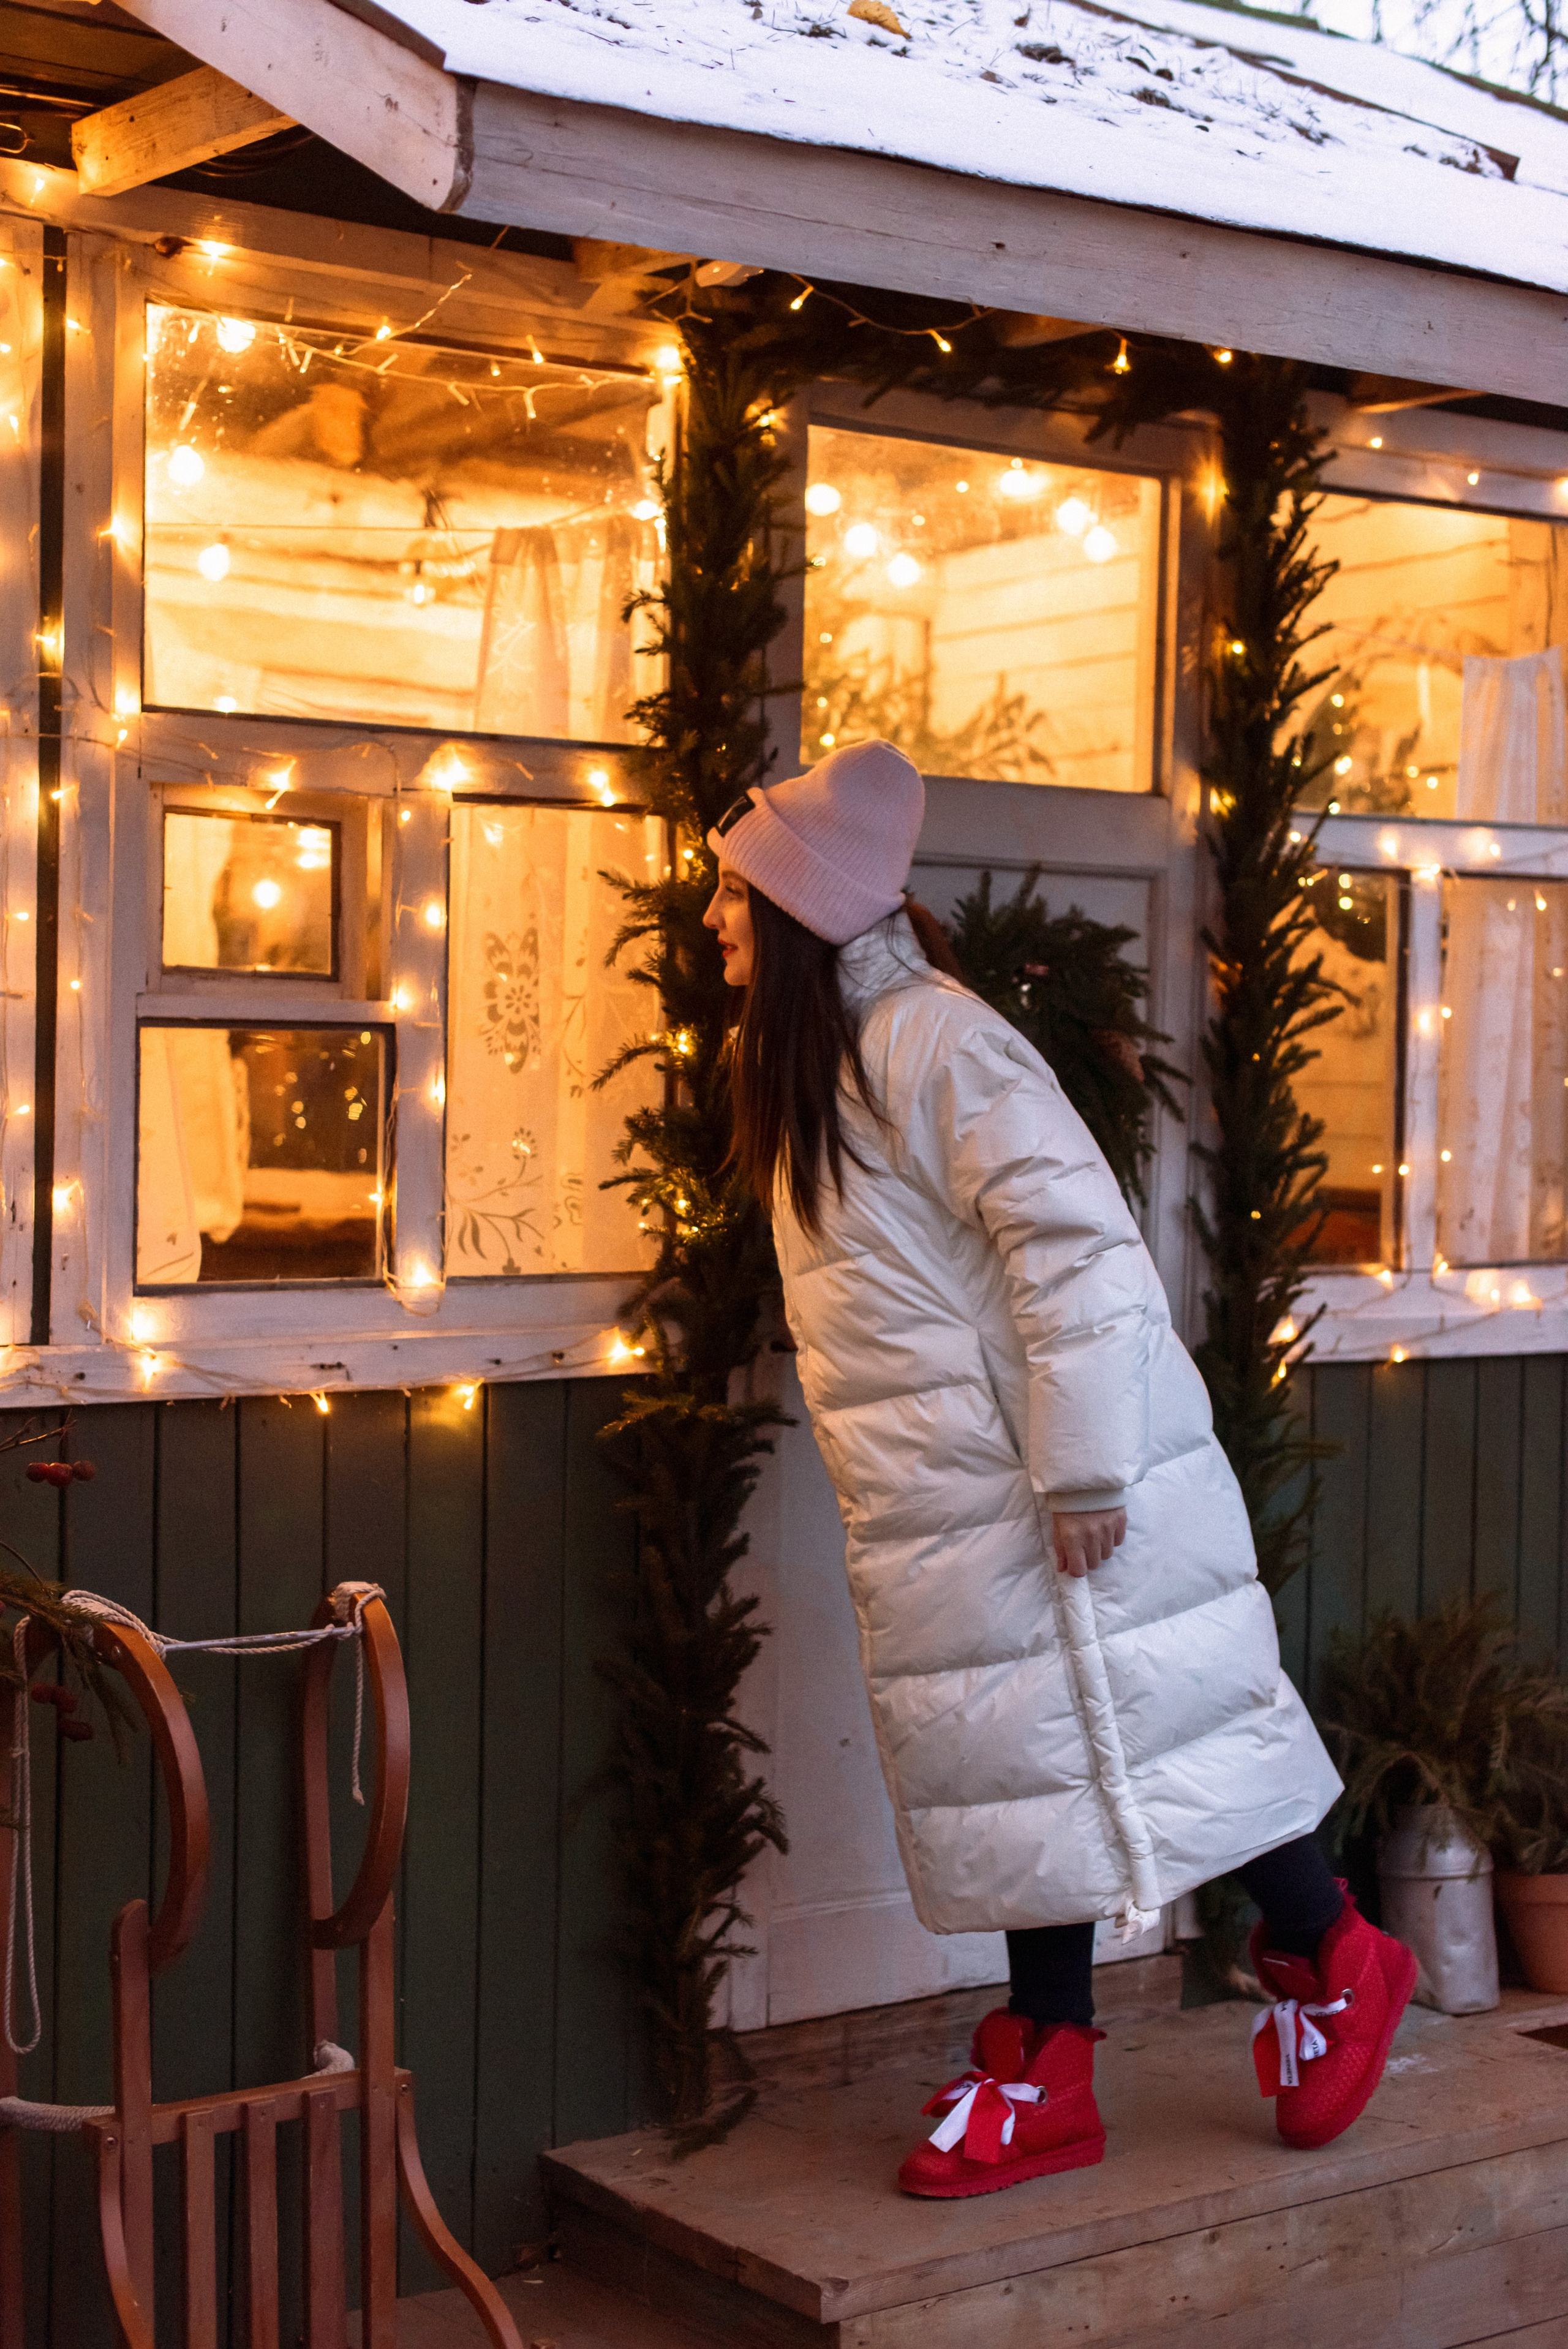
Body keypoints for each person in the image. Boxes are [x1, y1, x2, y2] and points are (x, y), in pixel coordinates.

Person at [701, 737, 1417, 2200]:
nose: (710, 920)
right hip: (950, 1503)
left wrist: (1083, 1469)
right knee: (1035, 1763)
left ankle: (1310, 1958)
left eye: (728, 897)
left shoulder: (934, 1043)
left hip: (1050, 1489)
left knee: (1151, 1717)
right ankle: (1064, 2047)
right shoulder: (826, 1061)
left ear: (795, 910)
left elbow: (1075, 1245)